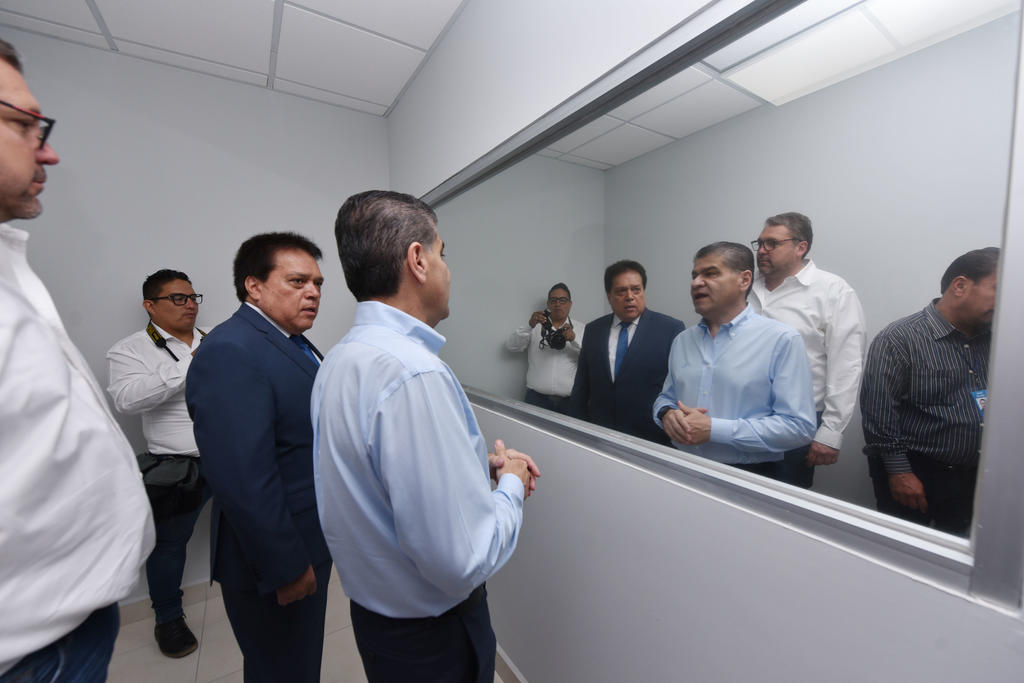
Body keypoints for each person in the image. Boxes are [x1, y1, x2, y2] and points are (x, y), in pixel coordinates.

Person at [313, 190, 538, 683]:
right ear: (418, 260)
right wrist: (512, 483)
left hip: (379, 624)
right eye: (443, 254)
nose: (448, 270)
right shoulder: (414, 374)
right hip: (433, 639)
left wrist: (473, 469)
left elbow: (375, 478)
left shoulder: (341, 358)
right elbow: (461, 561)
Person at [0, 39, 154, 681]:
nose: (48, 151)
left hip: (71, 622)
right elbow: (132, 398)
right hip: (29, 649)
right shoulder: (134, 350)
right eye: (22, 125)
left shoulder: (13, 276)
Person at [185, 233, 332, 682]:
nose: (313, 292)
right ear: (254, 286)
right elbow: (242, 476)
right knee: (283, 670)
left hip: (307, 538)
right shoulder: (231, 349)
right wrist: (285, 566)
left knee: (297, 664)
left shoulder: (291, 341)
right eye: (297, 281)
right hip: (274, 557)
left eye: (317, 283)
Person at [861, 247, 999, 536]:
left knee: (959, 551)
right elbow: (879, 412)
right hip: (918, 473)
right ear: (960, 286)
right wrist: (899, 472)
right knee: (905, 551)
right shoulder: (900, 339)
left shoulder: (998, 339)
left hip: (976, 476)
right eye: (998, 290)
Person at [107, 269, 209, 658]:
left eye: (193, 297)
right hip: (177, 466)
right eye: (178, 298)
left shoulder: (216, 339)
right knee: (168, 545)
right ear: (150, 305)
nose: (190, 305)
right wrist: (190, 364)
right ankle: (168, 618)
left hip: (232, 456)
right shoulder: (129, 350)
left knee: (250, 526)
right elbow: (128, 399)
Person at [654, 242, 816, 475]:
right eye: (694, 275)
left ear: (744, 280)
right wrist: (666, 414)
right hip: (681, 468)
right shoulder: (682, 341)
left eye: (710, 273)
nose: (696, 283)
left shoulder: (781, 340)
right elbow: (666, 398)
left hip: (748, 475)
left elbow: (799, 427)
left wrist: (715, 430)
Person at [749, 212, 866, 488]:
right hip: (740, 415)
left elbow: (846, 365)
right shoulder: (746, 286)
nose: (762, 250)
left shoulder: (832, 291)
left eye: (772, 243)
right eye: (760, 243)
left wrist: (831, 432)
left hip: (796, 421)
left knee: (781, 502)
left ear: (800, 247)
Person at [569, 260, 685, 445]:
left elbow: (679, 389)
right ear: (609, 296)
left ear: (643, 291)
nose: (630, 297)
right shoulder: (593, 329)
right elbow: (582, 386)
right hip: (599, 433)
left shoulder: (670, 329)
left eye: (636, 290)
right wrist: (576, 430)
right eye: (621, 291)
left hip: (650, 437)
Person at [506, 282, 582, 414]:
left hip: (570, 402)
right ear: (548, 304)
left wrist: (574, 340)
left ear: (570, 304)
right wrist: (529, 326)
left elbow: (591, 358)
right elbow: (511, 346)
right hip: (536, 399)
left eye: (563, 300)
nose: (557, 304)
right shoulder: (535, 325)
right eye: (553, 300)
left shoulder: (582, 328)